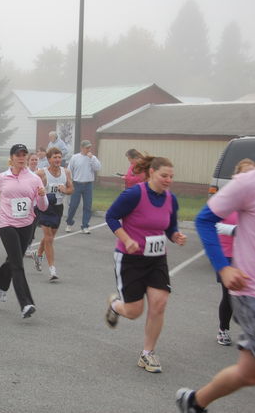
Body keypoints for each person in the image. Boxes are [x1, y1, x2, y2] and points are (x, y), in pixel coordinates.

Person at [175, 164, 255, 413]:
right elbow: (205, 220)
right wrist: (223, 267)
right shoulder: (248, 183)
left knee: (248, 373)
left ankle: (195, 402)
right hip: (251, 291)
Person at [104, 156, 187, 373]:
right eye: (164, 175)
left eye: (171, 176)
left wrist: (175, 235)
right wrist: (126, 239)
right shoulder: (134, 194)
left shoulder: (171, 199)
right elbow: (111, 216)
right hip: (130, 258)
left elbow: (170, 226)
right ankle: (115, 305)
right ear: (152, 173)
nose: (168, 180)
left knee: (159, 304)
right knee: (133, 311)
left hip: (157, 258)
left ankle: (147, 353)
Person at [0, 144, 48, 318]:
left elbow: (42, 206)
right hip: (6, 224)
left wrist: (42, 195)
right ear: (12, 158)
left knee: (13, 259)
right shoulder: (2, 177)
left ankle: (0, 283)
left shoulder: (34, 179)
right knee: (18, 264)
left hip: (27, 224)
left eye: (24, 155)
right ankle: (26, 303)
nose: (21, 158)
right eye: (18, 155)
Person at [210, 159, 255, 347]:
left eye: (251, 172)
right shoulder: (229, 198)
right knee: (229, 295)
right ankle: (223, 329)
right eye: (244, 173)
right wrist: (233, 230)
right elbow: (211, 224)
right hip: (227, 254)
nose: (248, 177)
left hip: (247, 257)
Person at [32, 147, 73, 280]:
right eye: (55, 157)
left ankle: (38, 254)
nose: (57, 160)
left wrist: (65, 190)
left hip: (58, 208)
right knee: (49, 238)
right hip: (45, 207)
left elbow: (71, 188)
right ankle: (52, 270)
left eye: (59, 157)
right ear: (49, 159)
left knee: (50, 237)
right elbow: (29, 183)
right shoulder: (41, 173)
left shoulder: (66, 172)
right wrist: (40, 191)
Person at [65, 140, 101, 234]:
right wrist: (70, 182)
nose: (89, 149)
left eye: (89, 147)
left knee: (87, 206)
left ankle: (85, 226)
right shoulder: (75, 157)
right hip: (77, 184)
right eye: (87, 148)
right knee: (73, 205)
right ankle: (69, 223)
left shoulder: (92, 158)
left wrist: (92, 158)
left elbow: (98, 168)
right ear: (82, 148)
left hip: (88, 184)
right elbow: (69, 170)